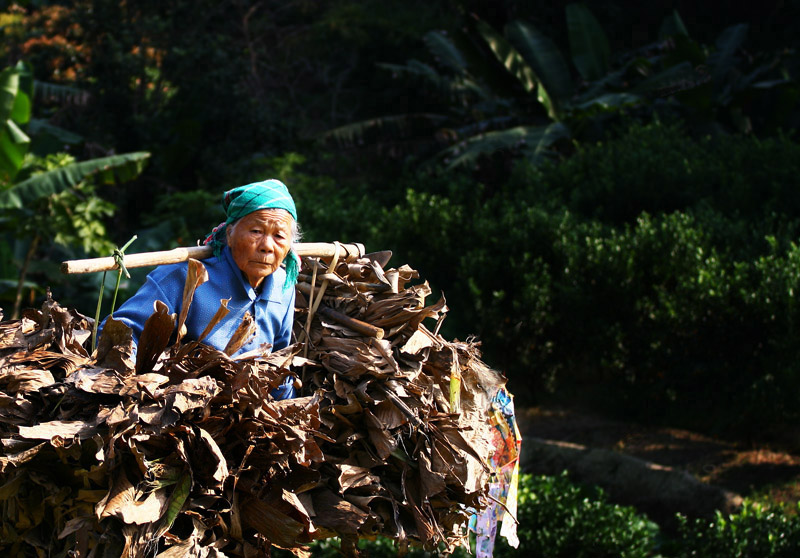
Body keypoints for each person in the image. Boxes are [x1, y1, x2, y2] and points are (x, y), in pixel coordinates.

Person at [104, 178, 300, 399]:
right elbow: (119, 332)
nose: (266, 246)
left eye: (279, 236)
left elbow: (278, 362)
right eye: (256, 231)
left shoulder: (284, 286)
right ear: (230, 234)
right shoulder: (185, 276)